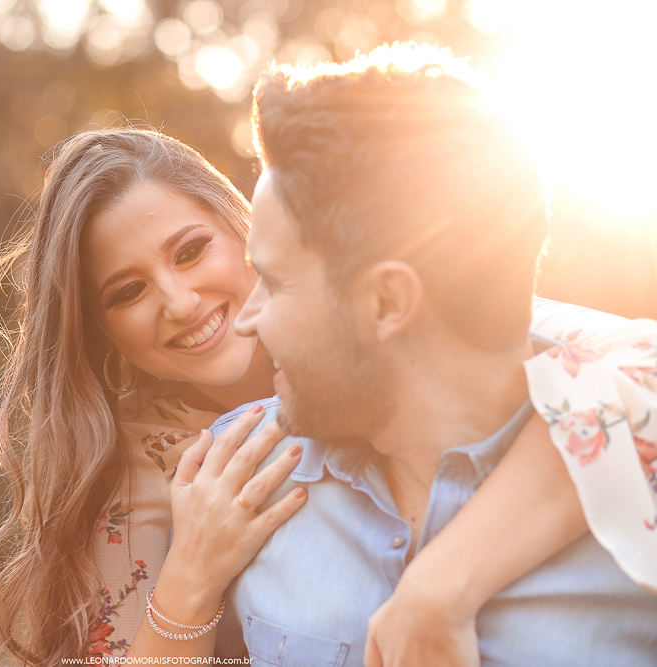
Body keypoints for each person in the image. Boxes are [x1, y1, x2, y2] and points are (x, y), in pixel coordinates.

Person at [0, 125, 655, 664]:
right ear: (102, 331)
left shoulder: (394, 325)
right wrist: (189, 577)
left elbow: (638, 364)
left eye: (189, 251)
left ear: (243, 229)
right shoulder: (138, 472)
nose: (179, 302)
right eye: (128, 292)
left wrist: (440, 583)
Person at [204, 43, 657, 666]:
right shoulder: (233, 482)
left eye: (275, 282)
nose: (247, 318)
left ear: (390, 300)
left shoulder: (640, 484)